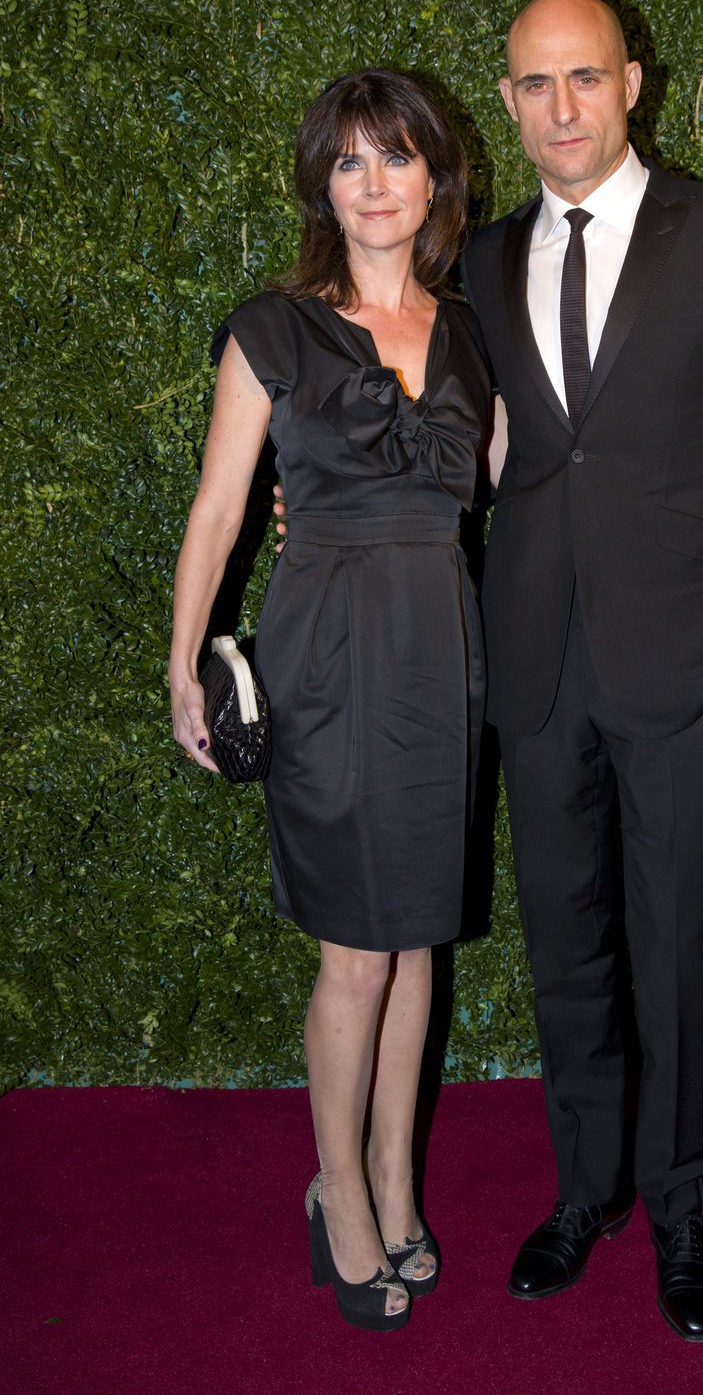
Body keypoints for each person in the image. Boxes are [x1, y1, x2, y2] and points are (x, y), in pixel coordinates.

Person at [461, 0, 703, 1339]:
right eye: (534, 83)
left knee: (681, 950)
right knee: (568, 947)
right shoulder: (481, 261)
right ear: (507, 98)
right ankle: (585, 1188)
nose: (561, 107)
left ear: (632, 84)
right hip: (538, 661)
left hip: (688, 662)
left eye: (585, 78)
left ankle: (679, 1205)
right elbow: (450, 438)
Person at [168, 70, 491, 1332]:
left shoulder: (469, 333)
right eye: (348, 162)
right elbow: (219, 508)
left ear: (435, 179)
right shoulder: (271, 329)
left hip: (441, 649)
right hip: (329, 652)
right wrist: (182, 663)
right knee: (355, 949)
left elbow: (522, 474)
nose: (373, 184)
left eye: (396, 158)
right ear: (322, 184)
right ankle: (339, 1196)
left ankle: (400, 1186)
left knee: (415, 939)